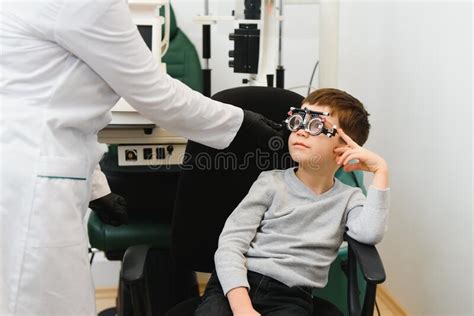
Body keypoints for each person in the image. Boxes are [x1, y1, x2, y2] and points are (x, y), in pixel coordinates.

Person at [0, 1, 284, 315]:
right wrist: (243, 124)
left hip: (23, 161)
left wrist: (97, 187)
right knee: (41, 301)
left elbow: (51, 99)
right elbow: (154, 93)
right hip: (30, 179)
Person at [195, 88, 390, 316]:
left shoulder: (349, 199)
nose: (301, 132)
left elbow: (370, 233)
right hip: (237, 282)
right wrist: (242, 307)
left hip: (290, 297)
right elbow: (231, 244)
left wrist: (380, 171)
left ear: (346, 147)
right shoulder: (270, 183)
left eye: (316, 126)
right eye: (298, 122)